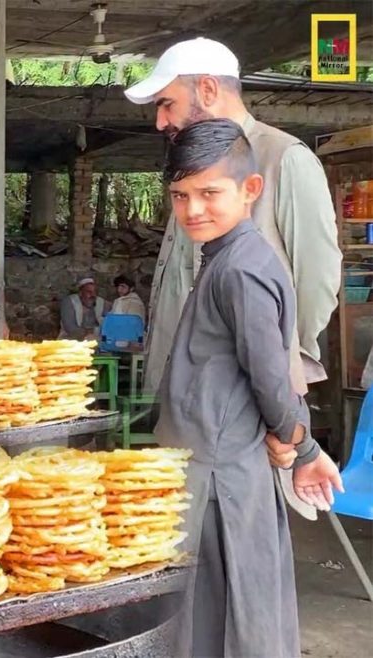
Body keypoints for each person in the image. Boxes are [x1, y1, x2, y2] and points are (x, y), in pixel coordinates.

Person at [153, 119, 343, 658]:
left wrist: (303, 446)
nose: (193, 209)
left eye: (210, 193)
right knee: (208, 611)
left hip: (221, 476)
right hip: (214, 464)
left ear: (250, 190)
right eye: (181, 195)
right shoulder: (225, 257)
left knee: (224, 616)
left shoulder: (241, 268)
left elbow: (270, 375)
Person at [124, 37, 341, 394]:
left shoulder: (284, 158)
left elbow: (317, 279)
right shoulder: (193, 165)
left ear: (207, 89)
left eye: (166, 104)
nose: (160, 122)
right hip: (184, 392)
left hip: (247, 392)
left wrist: (279, 365)